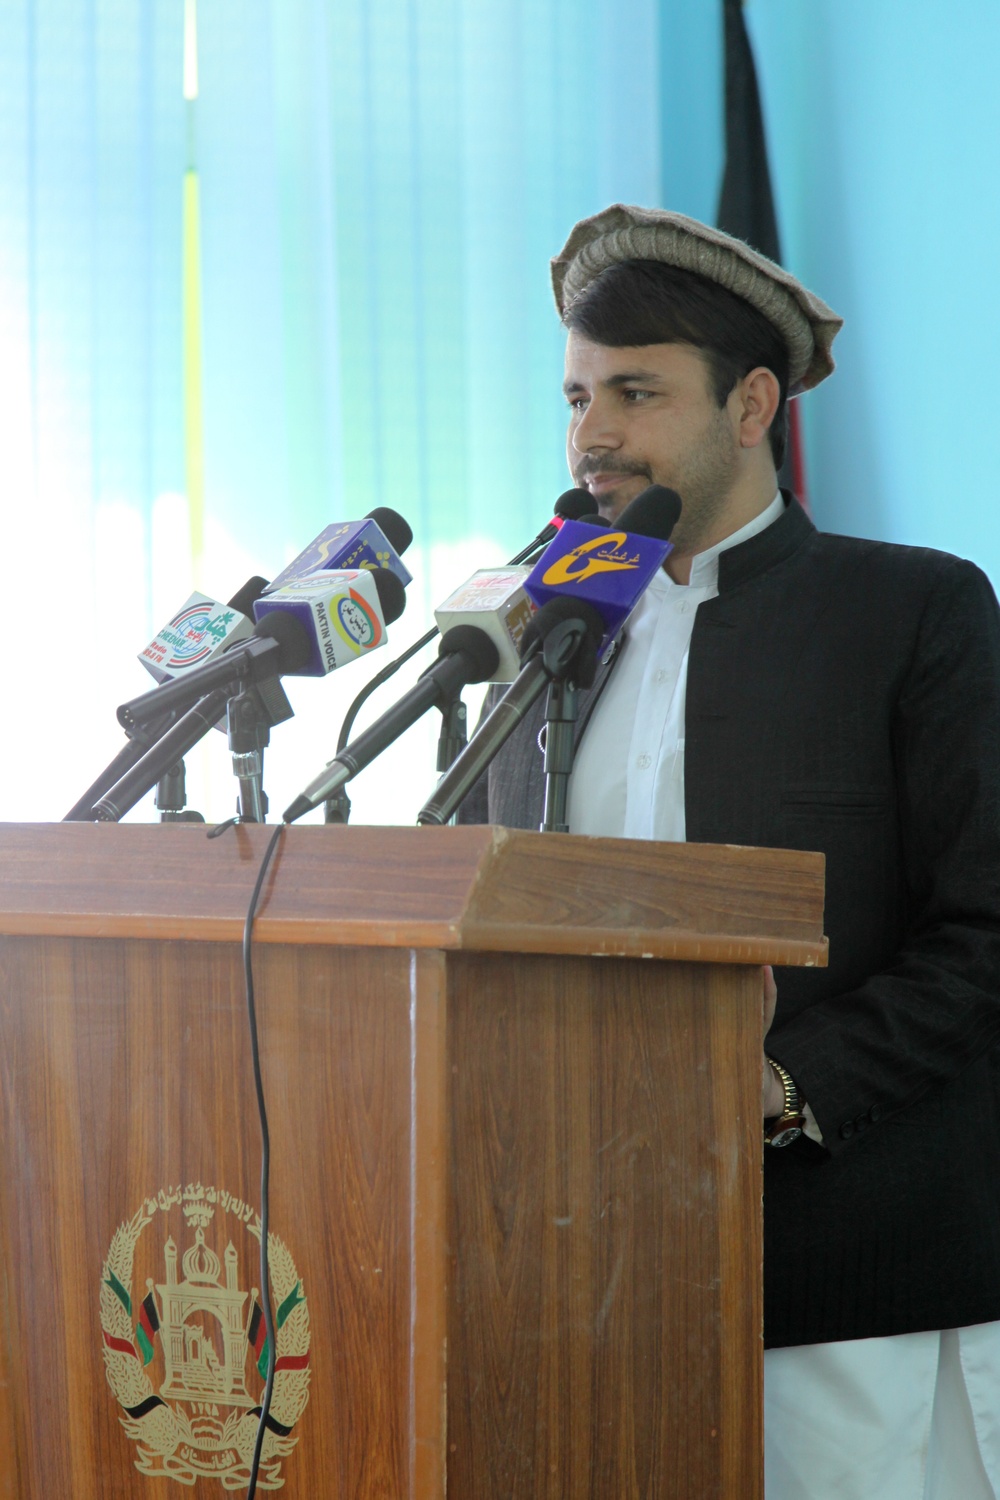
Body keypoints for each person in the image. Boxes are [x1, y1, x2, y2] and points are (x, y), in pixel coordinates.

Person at [459, 204, 1000, 1498]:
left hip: (850, 1264)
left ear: (753, 404)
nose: (592, 435)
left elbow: (985, 931)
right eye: (579, 395)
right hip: (581, 1268)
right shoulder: (541, 637)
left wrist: (774, 1085)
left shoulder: (911, 610)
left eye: (636, 393)